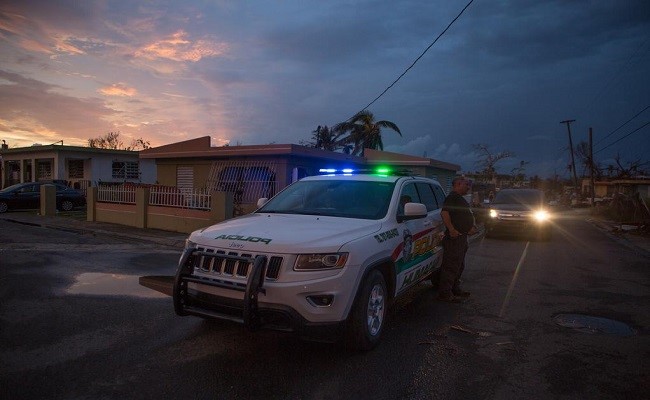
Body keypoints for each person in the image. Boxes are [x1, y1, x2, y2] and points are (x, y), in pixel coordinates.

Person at [437, 177, 478, 303]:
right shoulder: (452, 197)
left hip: (461, 237)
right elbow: (445, 213)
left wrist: (469, 227)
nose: (468, 187)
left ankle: (455, 289)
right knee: (451, 266)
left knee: (459, 265)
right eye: (466, 184)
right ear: (458, 184)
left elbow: (461, 216)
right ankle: (445, 293)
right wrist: (451, 230)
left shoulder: (459, 198)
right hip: (454, 239)